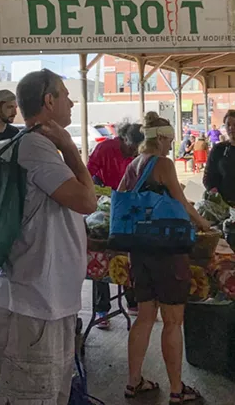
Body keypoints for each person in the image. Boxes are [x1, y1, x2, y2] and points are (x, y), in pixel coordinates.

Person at [0, 69, 97, 405]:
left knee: (51, 394)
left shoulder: (13, 146)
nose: (72, 102)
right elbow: (87, 201)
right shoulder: (35, 147)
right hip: (35, 306)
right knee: (33, 397)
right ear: (48, 101)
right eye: (65, 95)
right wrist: (70, 149)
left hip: (45, 302)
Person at [120, 112, 211, 404]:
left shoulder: (134, 164)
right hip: (167, 250)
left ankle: (133, 382)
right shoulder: (163, 163)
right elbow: (182, 204)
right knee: (172, 321)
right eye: (170, 140)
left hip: (139, 249)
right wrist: (204, 223)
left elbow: (123, 198)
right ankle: (176, 390)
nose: (172, 145)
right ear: (160, 138)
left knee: (145, 317)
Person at [87, 122, 145, 328]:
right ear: (124, 139)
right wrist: (98, 194)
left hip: (127, 203)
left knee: (128, 251)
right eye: (131, 148)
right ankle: (102, 309)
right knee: (101, 254)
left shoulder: (139, 154)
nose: (132, 153)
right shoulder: (105, 148)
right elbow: (88, 173)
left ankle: (133, 300)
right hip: (104, 200)